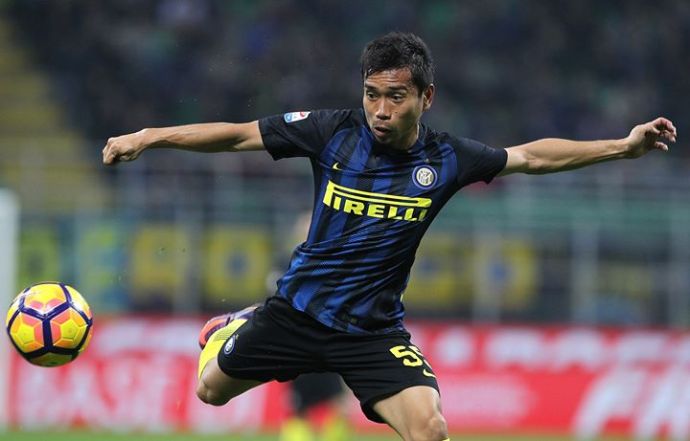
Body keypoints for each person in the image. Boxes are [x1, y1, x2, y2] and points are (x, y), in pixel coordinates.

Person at [102, 32, 677, 441]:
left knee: (431, 430)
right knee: (209, 393)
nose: (380, 109)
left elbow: (531, 157)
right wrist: (149, 135)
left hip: (370, 332)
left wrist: (622, 147)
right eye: (371, 94)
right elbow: (235, 135)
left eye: (395, 97)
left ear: (426, 98)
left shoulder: (448, 158)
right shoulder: (331, 132)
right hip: (294, 314)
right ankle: (236, 324)